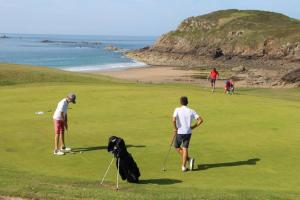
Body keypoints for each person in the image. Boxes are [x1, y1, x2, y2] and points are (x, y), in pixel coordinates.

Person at [172, 96, 203, 172]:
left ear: (180, 102)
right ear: (187, 102)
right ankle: (184, 165)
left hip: (180, 132)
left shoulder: (177, 109)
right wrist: (193, 127)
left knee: (176, 146)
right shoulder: (191, 111)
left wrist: (175, 128)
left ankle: (188, 160)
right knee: (185, 148)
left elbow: (173, 120)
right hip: (188, 132)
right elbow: (201, 120)